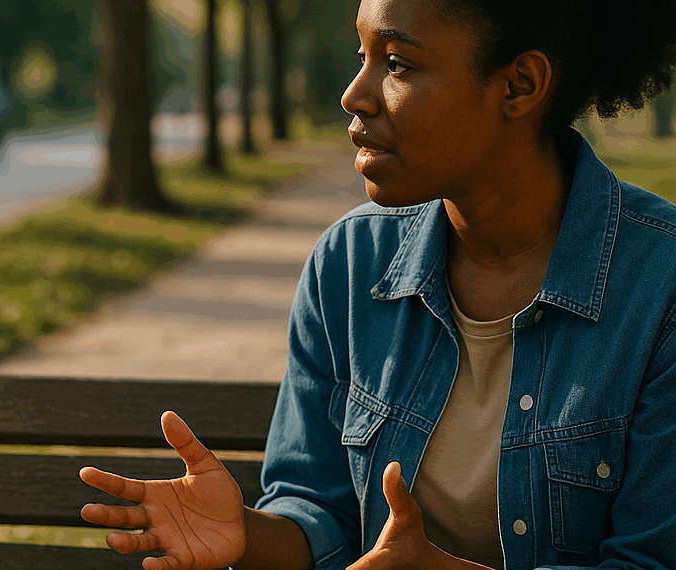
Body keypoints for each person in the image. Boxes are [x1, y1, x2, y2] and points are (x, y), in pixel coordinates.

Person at [79, 0, 676, 568]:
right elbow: (318, 511)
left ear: (519, 84)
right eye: (362, 55)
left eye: (397, 64)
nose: (354, 95)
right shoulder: (349, 263)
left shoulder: (660, 284)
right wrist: (245, 533)